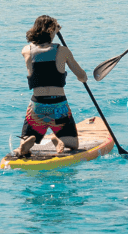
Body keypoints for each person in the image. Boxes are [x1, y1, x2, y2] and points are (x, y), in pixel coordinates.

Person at [17, 15, 87, 159]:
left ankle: (28, 140)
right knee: (74, 144)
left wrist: (53, 30)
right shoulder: (63, 51)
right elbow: (82, 76)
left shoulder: (26, 51)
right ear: (51, 30)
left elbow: (40, 52)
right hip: (58, 107)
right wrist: (83, 78)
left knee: (28, 136)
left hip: (37, 107)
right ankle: (59, 140)